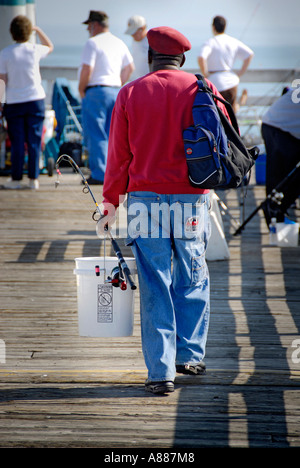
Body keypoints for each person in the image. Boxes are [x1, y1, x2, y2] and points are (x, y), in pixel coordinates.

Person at [97, 26, 230, 394]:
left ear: (150, 58)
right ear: (183, 58)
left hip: (144, 201)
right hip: (190, 198)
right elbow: (225, 137)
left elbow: (118, 155)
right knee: (193, 273)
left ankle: (160, 373)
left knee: (155, 283)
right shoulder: (202, 89)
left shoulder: (130, 93)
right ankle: (189, 355)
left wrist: (111, 201)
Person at [78, 10, 134, 185]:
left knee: (96, 134)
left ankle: (99, 174)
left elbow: (88, 68)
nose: (88, 29)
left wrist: (81, 89)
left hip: (96, 92)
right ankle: (114, 173)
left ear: (95, 25)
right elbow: (129, 67)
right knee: (114, 135)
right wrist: (118, 83)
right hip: (115, 91)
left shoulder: (92, 43)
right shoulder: (119, 42)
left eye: (89, 26)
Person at [0, 15, 53, 189]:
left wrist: (1, 103)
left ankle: (16, 179)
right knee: (34, 141)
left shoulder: (5, 53)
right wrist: (38, 31)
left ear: (12, 32)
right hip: (35, 100)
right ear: (28, 32)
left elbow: (3, 80)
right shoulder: (34, 49)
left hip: (14, 101)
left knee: (16, 141)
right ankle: (33, 180)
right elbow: (50, 47)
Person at [198, 15, 254, 112]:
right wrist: (240, 73)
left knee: (217, 112)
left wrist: (205, 74)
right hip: (232, 80)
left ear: (213, 27)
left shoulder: (210, 42)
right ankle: (240, 105)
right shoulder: (233, 41)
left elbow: (201, 57)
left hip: (215, 81)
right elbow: (249, 54)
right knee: (231, 113)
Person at [261, 86, 300, 219]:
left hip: (287, 129)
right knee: (278, 179)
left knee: (286, 180)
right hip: (277, 127)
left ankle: (278, 213)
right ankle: (274, 216)